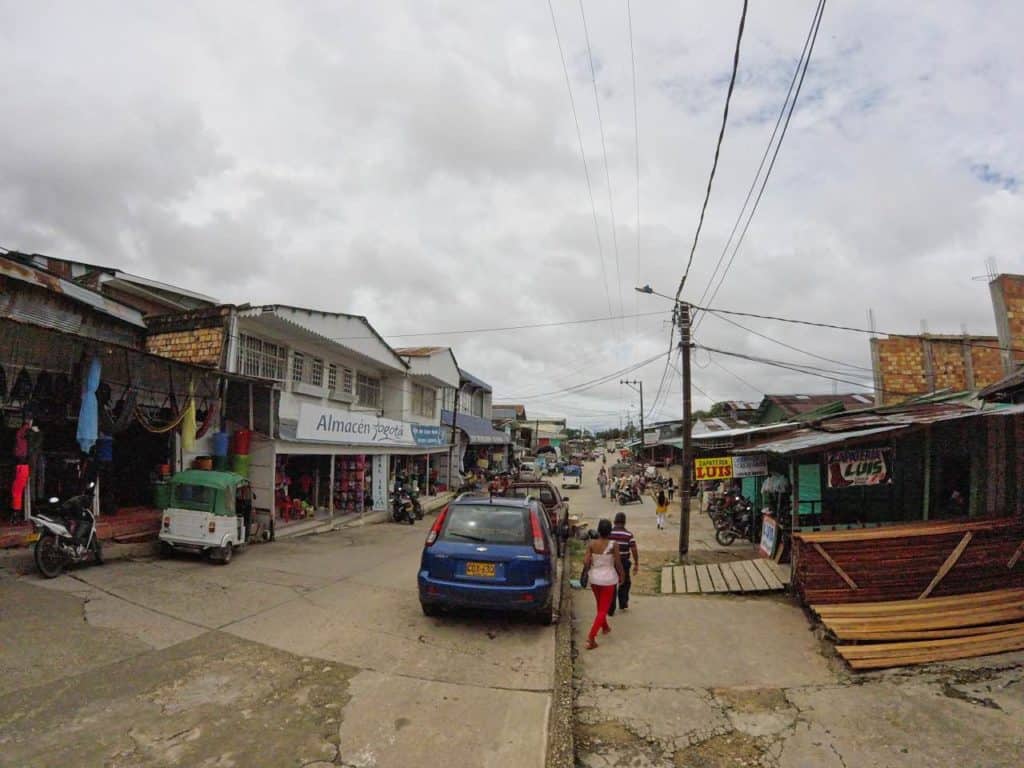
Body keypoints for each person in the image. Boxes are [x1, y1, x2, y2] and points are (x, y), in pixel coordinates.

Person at [583, 518, 625, 650]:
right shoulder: (614, 544)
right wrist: (622, 575)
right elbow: (618, 563)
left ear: (599, 530)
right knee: (603, 609)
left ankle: (605, 627)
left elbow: (586, 562)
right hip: (608, 579)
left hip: (594, 579)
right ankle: (591, 637)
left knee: (600, 604)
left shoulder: (591, 544)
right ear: (610, 531)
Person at [607, 511, 638, 616]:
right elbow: (634, 549)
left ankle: (610, 608)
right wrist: (636, 563)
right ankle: (623, 603)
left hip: (610, 562)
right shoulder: (629, 535)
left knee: (611, 585)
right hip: (624, 562)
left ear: (615, 521)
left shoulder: (609, 533)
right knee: (625, 583)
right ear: (624, 522)